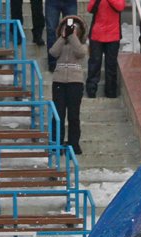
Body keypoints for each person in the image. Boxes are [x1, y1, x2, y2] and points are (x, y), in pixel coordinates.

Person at [49, 15, 87, 154]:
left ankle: (73, 145)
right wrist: (63, 37)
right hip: (59, 81)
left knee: (73, 115)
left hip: (75, 83)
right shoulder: (61, 41)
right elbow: (53, 52)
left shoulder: (81, 44)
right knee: (58, 115)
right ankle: (56, 144)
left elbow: (81, 53)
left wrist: (73, 37)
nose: (71, 30)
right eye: (68, 28)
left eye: (74, 29)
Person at [86, 0, 124, 99]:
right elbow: (90, 8)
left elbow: (120, 6)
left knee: (111, 66)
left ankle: (111, 93)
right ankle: (91, 91)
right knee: (94, 63)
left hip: (113, 35)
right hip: (97, 34)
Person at [44, 0, 76, 70]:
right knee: (51, 31)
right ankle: (53, 62)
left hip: (70, 3)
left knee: (70, 30)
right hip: (52, 2)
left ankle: (69, 60)